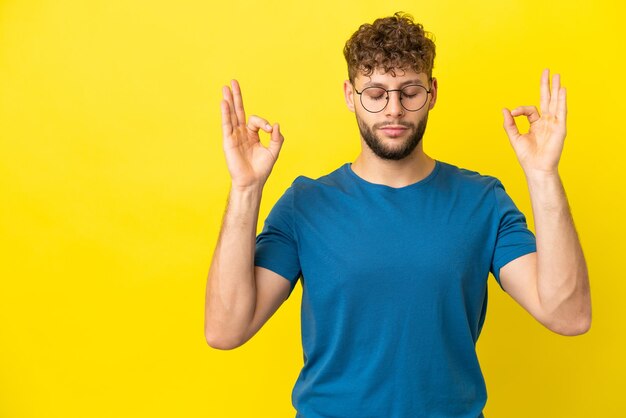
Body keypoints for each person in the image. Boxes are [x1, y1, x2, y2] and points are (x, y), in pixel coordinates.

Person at [204, 12, 591, 418]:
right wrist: (246, 190)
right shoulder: (306, 204)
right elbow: (226, 329)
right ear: (350, 96)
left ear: (433, 92)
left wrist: (544, 175)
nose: (394, 110)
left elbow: (569, 315)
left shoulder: (482, 200)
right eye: (375, 93)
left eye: (410, 91)